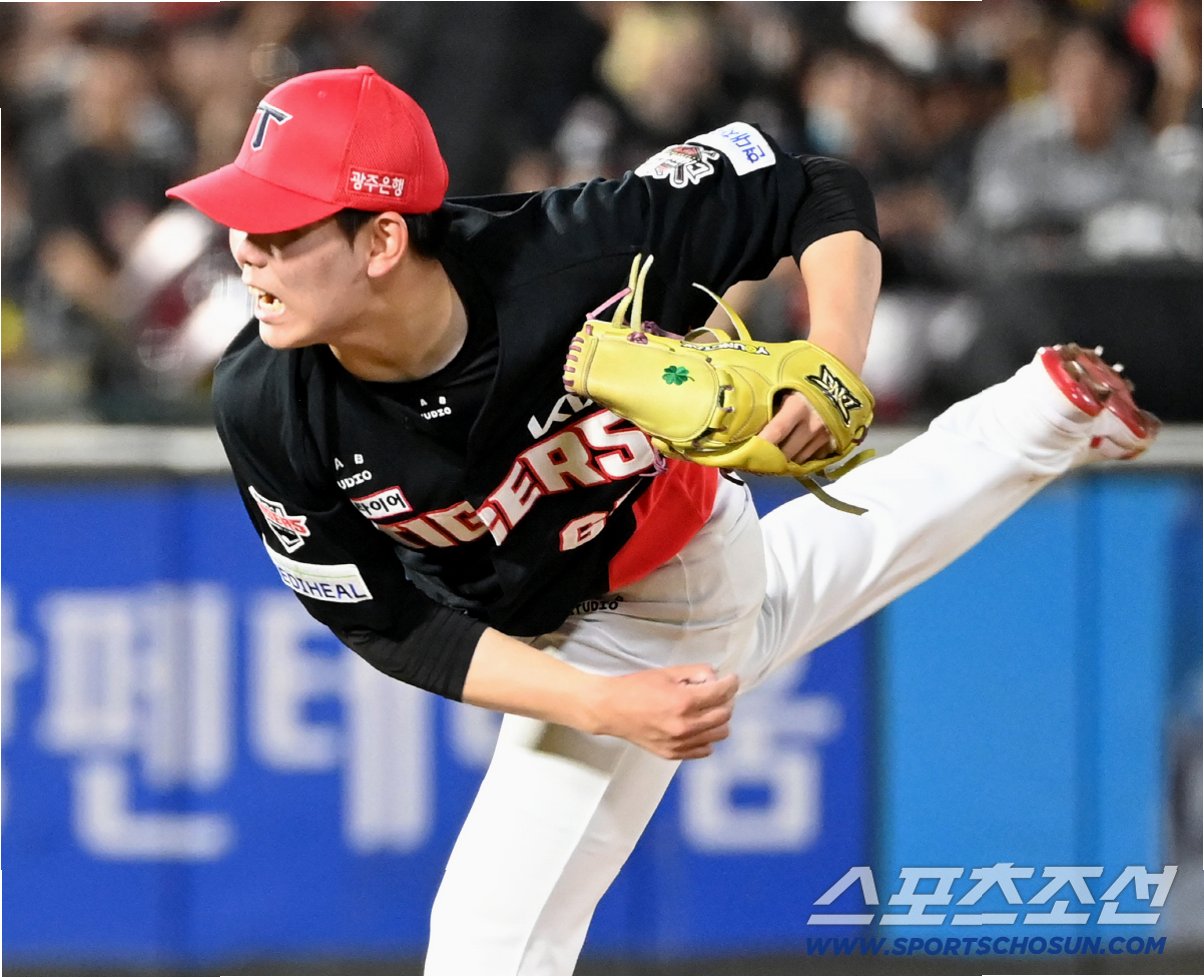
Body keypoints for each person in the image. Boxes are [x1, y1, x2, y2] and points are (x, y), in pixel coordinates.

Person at [166, 66, 1157, 975]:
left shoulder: (578, 250)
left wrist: (833, 358)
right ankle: (1046, 412)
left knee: (488, 944)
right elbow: (380, 618)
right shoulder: (266, 398)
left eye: (280, 229)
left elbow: (814, 188)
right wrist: (596, 703)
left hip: (651, 580)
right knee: (802, 582)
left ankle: (1040, 420)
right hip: (584, 598)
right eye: (244, 223)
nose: (246, 253)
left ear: (383, 239)